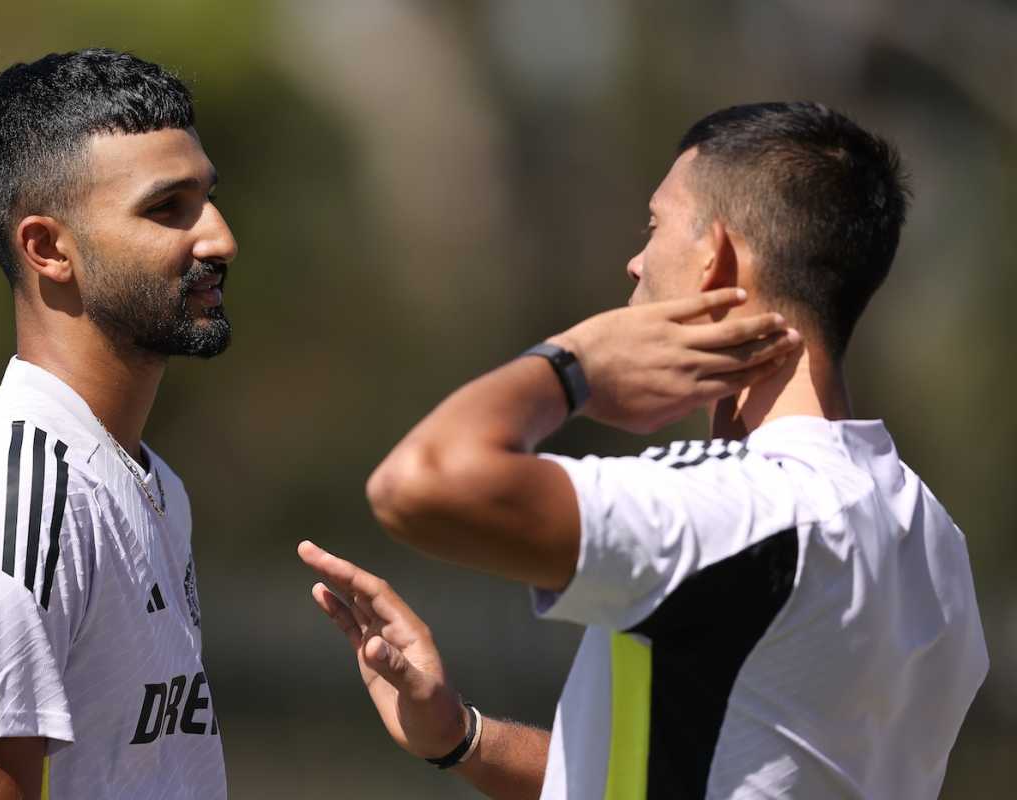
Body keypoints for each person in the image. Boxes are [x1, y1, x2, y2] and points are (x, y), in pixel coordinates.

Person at [300, 102, 988, 799]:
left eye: (654, 226)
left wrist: (573, 363)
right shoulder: (932, 538)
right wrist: (462, 739)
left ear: (716, 258)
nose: (635, 259)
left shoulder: (740, 506)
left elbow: (416, 485)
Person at [0, 49, 237, 799]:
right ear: (48, 249)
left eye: (207, 198)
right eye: (167, 207)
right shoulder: (20, 496)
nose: (218, 239)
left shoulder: (149, 483)